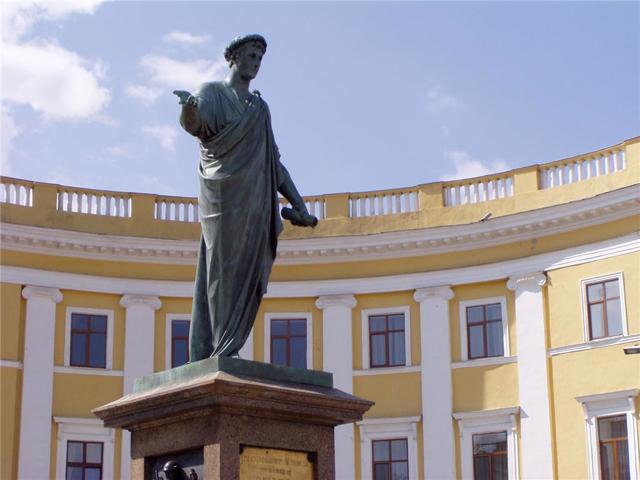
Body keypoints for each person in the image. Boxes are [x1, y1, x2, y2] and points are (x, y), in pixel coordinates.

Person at [174, 34, 316, 362]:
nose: (256, 63)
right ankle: (220, 350)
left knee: (247, 277)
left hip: (254, 202)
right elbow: (197, 126)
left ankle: (229, 348)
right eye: (251, 56)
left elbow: (273, 163)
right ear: (234, 58)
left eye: (259, 58)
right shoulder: (212, 93)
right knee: (221, 269)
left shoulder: (259, 108)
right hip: (222, 197)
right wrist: (188, 111)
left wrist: (297, 202)